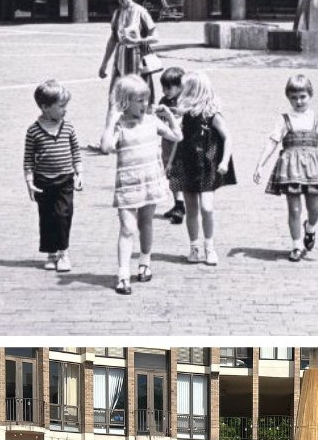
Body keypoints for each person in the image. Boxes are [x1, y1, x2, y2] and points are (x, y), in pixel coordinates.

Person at [99, 74, 182, 295]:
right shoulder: (120, 125)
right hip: (128, 184)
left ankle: (145, 261)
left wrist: (169, 116)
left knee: (146, 223)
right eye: (139, 101)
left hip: (150, 181)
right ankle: (123, 274)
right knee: (127, 228)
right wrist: (110, 122)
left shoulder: (152, 121)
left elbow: (177, 136)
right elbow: (106, 147)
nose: (144, 105)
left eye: (146, 99)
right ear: (125, 101)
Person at [253, 74, 318, 262]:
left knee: (315, 209)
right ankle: (296, 245)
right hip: (290, 168)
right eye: (294, 97)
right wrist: (260, 165)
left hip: (312, 169)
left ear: (310, 95)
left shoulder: (317, 118)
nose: (299, 101)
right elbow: (272, 142)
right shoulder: (284, 119)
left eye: (302, 96)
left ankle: (310, 228)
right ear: (288, 97)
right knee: (294, 209)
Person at [170, 70, 235, 266]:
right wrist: (170, 162)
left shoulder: (211, 114)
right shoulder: (186, 114)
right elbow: (178, 140)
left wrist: (224, 161)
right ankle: (194, 248)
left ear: (193, 91)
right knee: (191, 209)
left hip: (206, 165)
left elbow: (227, 137)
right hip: (187, 164)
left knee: (207, 208)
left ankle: (210, 247)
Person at [23, 79, 83, 273]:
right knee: (47, 217)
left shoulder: (68, 127)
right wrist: (29, 181)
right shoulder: (33, 131)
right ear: (45, 107)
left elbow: (76, 151)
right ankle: (51, 253)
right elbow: (28, 159)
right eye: (61, 106)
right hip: (43, 181)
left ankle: (64, 253)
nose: (65, 110)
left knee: (63, 215)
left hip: (65, 179)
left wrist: (79, 172)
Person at [97, 0, 158, 100]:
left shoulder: (141, 12)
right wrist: (104, 63)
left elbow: (155, 37)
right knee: (114, 98)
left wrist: (138, 41)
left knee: (139, 99)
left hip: (139, 62)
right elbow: (113, 40)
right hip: (120, 62)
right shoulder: (117, 13)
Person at [158, 66, 186, 224]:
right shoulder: (164, 101)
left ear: (180, 86)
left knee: (178, 173)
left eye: (168, 87)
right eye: (163, 87)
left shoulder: (185, 101)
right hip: (167, 143)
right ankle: (178, 204)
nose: (165, 91)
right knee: (170, 174)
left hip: (180, 145)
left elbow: (185, 122)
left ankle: (181, 206)